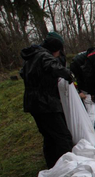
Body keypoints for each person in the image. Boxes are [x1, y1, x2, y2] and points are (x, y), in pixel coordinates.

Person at [20, 35, 74, 169]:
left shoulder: (30, 58)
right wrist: (69, 75)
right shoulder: (44, 56)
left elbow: (22, 73)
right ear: (55, 50)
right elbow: (56, 67)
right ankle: (67, 168)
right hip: (46, 103)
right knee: (63, 137)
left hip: (32, 103)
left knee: (49, 137)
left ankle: (52, 166)